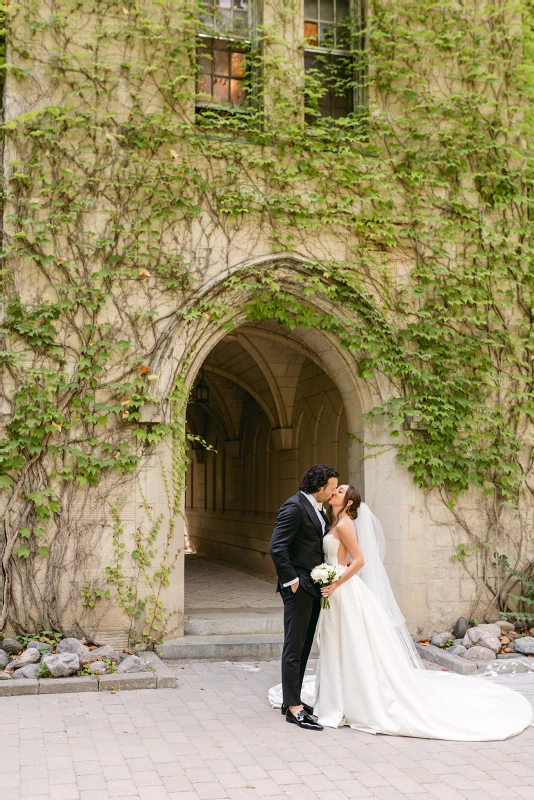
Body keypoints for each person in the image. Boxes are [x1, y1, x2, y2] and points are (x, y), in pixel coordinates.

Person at [269, 485, 533, 740]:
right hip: (332, 591)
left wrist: (336, 580)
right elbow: (342, 556)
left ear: (348, 502)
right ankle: (335, 697)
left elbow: (360, 560)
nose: (334, 492)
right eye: (334, 488)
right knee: (335, 644)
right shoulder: (331, 521)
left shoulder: (345, 523)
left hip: (341, 590)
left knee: (349, 643)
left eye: (340, 491)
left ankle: (352, 699)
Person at [269, 464, 339, 731]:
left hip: (312, 587)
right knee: (294, 647)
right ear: (319, 487)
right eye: (331, 488)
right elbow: (277, 547)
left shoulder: (315, 507)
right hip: (298, 588)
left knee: (305, 645)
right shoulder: (294, 506)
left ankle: (292, 700)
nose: (333, 493)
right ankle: (293, 709)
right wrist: (293, 581)